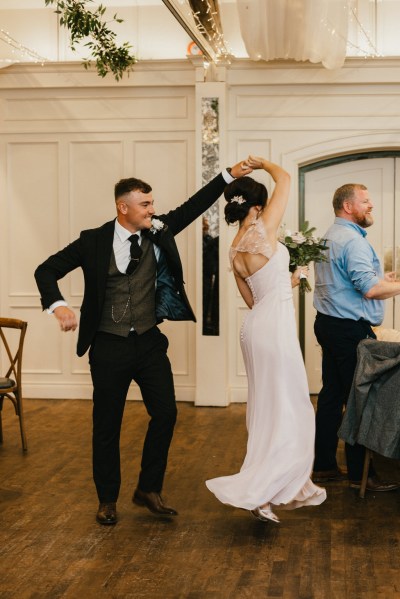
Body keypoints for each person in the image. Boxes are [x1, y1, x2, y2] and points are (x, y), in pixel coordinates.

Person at [34, 160, 252, 525]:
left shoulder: (159, 229)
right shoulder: (93, 241)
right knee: (107, 425)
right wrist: (58, 307)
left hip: (149, 341)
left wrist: (229, 175)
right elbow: (46, 270)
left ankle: (148, 489)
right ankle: (107, 499)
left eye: (152, 204)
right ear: (124, 208)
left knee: (166, 413)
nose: (153, 209)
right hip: (107, 346)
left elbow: (194, 205)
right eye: (146, 204)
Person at [206, 156, 326, 523]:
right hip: (273, 328)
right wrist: (263, 164)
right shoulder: (262, 228)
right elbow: (285, 178)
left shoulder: (235, 247)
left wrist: (287, 281)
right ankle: (265, 489)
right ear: (257, 206)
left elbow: (253, 299)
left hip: (255, 327)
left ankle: (265, 492)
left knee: (266, 408)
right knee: (290, 406)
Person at [313, 183, 400, 491]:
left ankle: (323, 466)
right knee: (359, 400)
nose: (371, 205)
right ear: (348, 207)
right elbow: (369, 290)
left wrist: (381, 278)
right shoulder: (353, 241)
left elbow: (345, 281)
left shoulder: (330, 235)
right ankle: (358, 475)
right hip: (349, 330)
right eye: (365, 201)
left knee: (332, 396)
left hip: (327, 324)